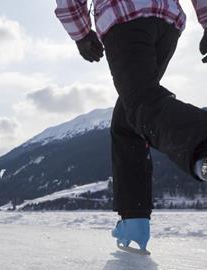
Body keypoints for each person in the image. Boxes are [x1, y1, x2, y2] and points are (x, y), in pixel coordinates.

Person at [55, 0, 207, 252]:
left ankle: (203, 147)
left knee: (142, 103)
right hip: (167, 23)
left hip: (124, 16)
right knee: (127, 122)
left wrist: (81, 33)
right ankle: (133, 219)